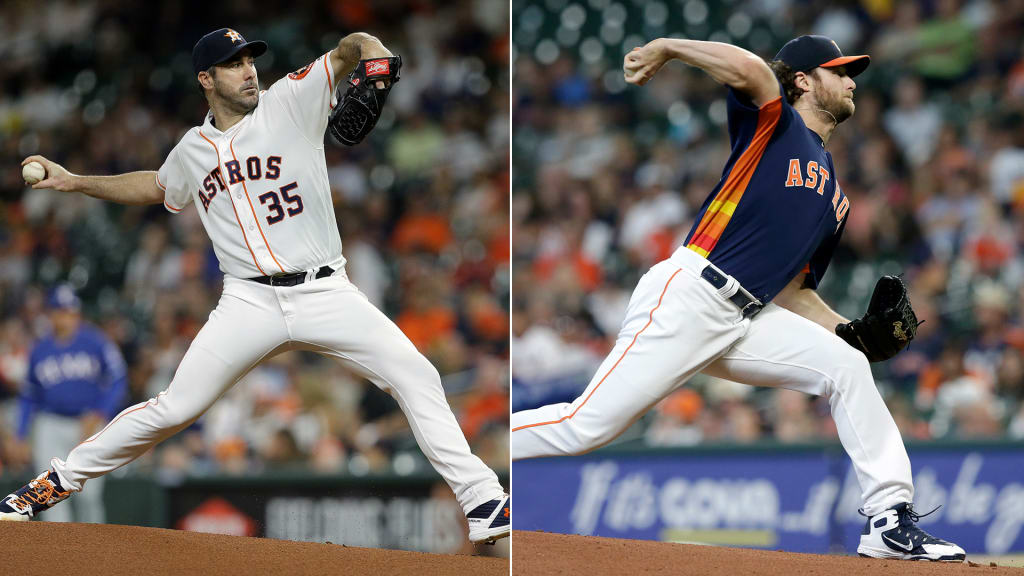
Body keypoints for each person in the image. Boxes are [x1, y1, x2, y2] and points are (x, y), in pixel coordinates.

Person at [3, 27, 509, 545]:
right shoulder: (192, 149)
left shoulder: (290, 99)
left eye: (250, 60)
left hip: (325, 290)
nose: (249, 71)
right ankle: (51, 485)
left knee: (415, 374)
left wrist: (375, 57)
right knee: (175, 407)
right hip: (248, 300)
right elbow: (158, 185)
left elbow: (349, 47)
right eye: (233, 63)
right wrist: (75, 181)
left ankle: (482, 500)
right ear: (206, 79)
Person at [510, 35, 964, 561]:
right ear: (802, 80)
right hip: (692, 294)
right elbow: (750, 67)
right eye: (837, 71)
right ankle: (477, 458)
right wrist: (667, 47)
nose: (850, 81)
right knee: (586, 426)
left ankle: (889, 520)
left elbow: (796, 292)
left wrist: (849, 331)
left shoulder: (835, 199)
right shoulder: (774, 126)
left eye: (851, 73)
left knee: (847, 366)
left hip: (749, 317)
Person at [15, 284, 126, 523]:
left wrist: (100, 412)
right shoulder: (40, 349)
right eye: (60, 311)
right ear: (51, 314)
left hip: (87, 425)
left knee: (90, 496)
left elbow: (118, 380)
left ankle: (95, 554)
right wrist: (22, 434)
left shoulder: (96, 342)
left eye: (70, 311)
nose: (66, 317)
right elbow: (28, 396)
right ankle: (57, 557)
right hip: (50, 425)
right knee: (50, 496)